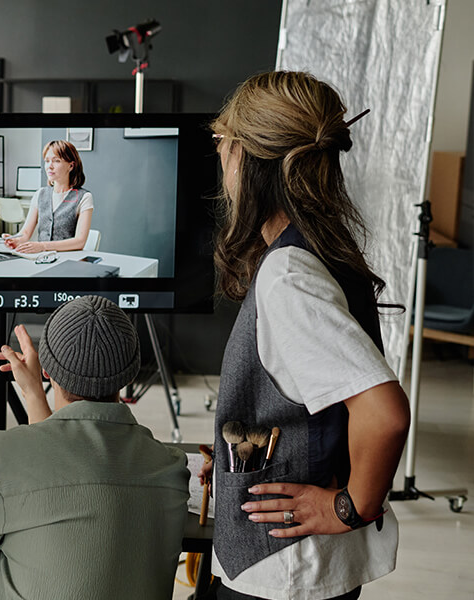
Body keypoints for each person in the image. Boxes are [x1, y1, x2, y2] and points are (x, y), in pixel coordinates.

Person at [203, 71, 411, 600]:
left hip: (284, 570)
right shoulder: (321, 248)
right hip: (300, 564)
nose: (220, 158)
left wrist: (348, 507)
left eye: (223, 143)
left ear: (247, 158)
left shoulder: (288, 276)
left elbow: (384, 414)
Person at [0, 296, 189, 599]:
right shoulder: (170, 467)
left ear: (47, 370)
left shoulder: (0, 456)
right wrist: (33, 395)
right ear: (131, 372)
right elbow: (65, 457)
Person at [2, 139, 94, 253]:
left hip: (68, 261)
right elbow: (25, 233)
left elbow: (79, 242)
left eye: (56, 161)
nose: (49, 166)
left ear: (71, 166)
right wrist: (15, 240)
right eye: (47, 161)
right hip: (42, 259)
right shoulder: (40, 194)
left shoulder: (84, 197)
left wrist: (43, 246)